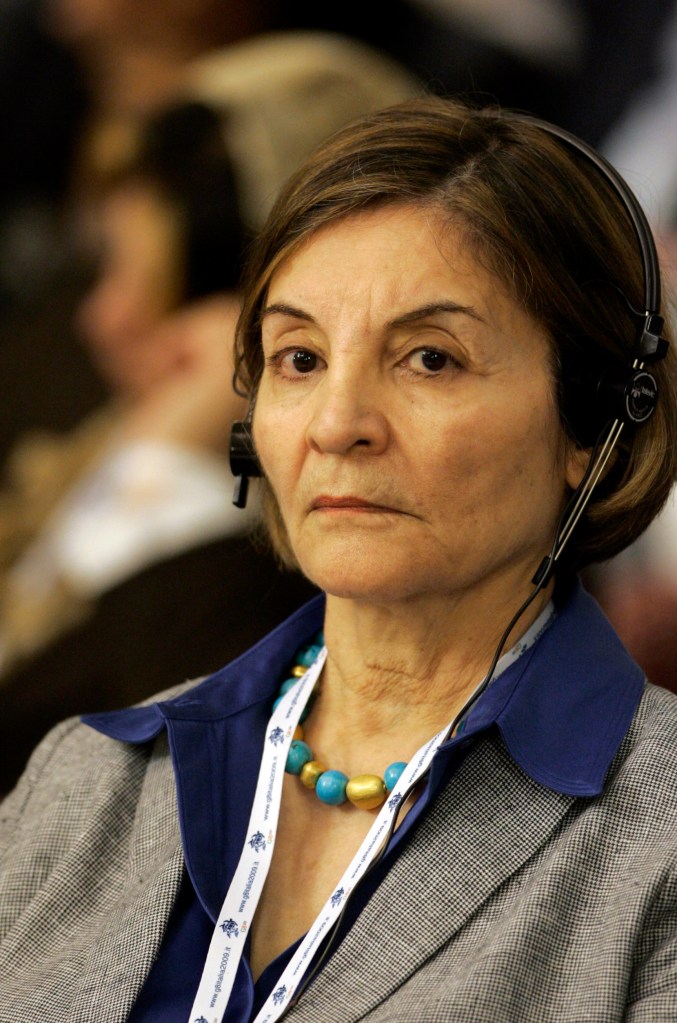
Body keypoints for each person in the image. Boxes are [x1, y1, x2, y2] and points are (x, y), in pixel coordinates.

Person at [1, 96, 677, 1022]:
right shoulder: (84, 780)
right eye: (298, 359)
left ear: (596, 423)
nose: (337, 425)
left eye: (430, 359)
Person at [0, 30, 419, 793]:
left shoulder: (288, 584)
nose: (102, 318)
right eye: (106, 269)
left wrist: (165, 471)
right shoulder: (74, 436)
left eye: (143, 281)